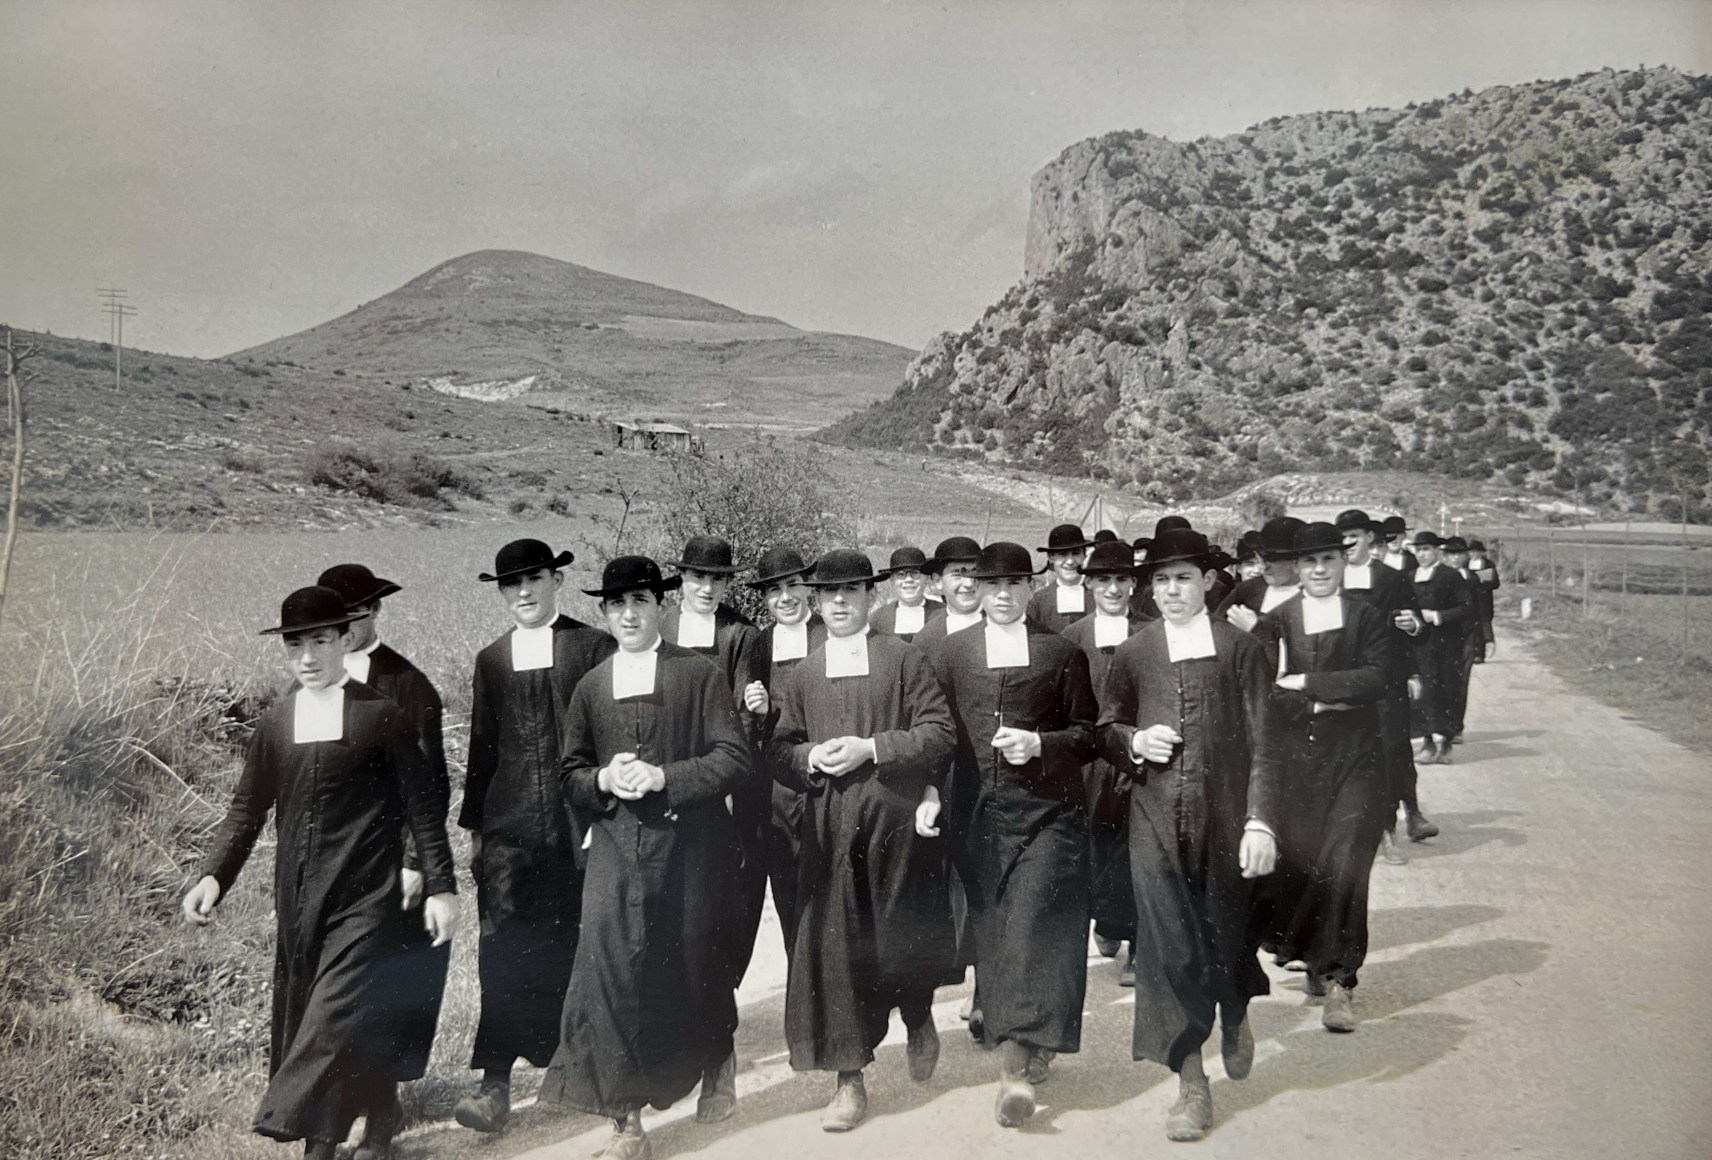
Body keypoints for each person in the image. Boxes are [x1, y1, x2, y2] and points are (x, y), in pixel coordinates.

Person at [182, 586, 459, 1160]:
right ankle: (324, 1143)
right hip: (299, 899)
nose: (307, 656)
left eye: (319, 641)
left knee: (333, 1014)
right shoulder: (277, 721)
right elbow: (245, 809)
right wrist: (213, 875)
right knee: (320, 1013)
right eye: (295, 644)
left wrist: (440, 886)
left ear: (342, 640)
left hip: (368, 896)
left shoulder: (380, 715)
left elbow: (423, 809)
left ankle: (281, 1106)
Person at [539, 556, 757, 1160]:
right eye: (616, 605)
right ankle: (626, 1120)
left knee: (695, 960)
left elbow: (734, 758)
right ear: (605, 613)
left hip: (691, 848)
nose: (628, 614)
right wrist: (604, 779)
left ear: (659, 605)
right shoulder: (591, 686)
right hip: (616, 848)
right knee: (610, 970)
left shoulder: (700, 675)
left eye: (639, 601)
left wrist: (666, 775)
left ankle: (718, 1063)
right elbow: (570, 773)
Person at [764, 549, 957, 1132]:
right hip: (828, 830)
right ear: (818, 604)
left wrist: (872, 749)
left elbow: (939, 731)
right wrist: (807, 756)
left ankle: (919, 1014)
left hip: (895, 826)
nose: (840, 602)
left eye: (850, 591)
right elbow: (778, 748)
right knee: (839, 949)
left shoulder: (903, 658)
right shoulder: (804, 671)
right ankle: (851, 1080)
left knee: (898, 934)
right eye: (829, 594)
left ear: (870, 597)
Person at [1096, 528, 1279, 1143]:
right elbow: (1107, 725)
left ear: (1208, 582)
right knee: (1170, 948)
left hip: (1227, 820)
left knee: (1226, 935)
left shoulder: (1241, 650)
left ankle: (1235, 1011)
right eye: (1162, 580)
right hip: (1153, 818)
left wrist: (1260, 820)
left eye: (1183, 578)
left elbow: (1267, 745)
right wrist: (1133, 743)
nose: (1171, 590)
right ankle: (1191, 1081)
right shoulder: (1135, 652)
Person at [926, 542, 1097, 1127]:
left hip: (1050, 815)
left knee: (1030, 924)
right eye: (991, 583)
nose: (1002, 594)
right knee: (996, 933)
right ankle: (1026, 1035)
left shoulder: (1063, 653)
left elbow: (1088, 734)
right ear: (977, 587)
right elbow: (934, 732)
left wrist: (1040, 744)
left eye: (1014, 584)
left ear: (1030, 589)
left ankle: (1015, 1068)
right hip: (977, 818)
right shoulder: (951, 654)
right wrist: (928, 792)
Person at [456, 539, 617, 1134]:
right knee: (501, 947)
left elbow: (612, 736)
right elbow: (481, 754)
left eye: (534, 579)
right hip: (510, 829)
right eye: (510, 584)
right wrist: (475, 831)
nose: (522, 592)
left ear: (556, 581)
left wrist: (608, 814)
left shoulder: (591, 646)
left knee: (582, 941)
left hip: (582, 825)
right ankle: (494, 1083)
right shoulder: (491, 660)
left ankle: (589, 1069)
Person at [314, 563, 451, 1152]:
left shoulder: (407, 685)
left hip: (390, 865)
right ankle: (332, 1116)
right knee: (332, 997)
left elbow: (431, 787)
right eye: (336, 621)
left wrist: (417, 862)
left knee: (382, 992)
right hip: (332, 867)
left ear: (376, 615)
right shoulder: (313, 684)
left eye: (359, 616)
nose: (349, 630)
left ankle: (381, 1114)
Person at [1252, 523, 1392, 1034]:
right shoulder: (1276, 621)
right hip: (1296, 761)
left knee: (1347, 858)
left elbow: (1378, 678)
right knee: (1303, 863)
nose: (1318, 570)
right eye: (1309, 562)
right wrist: (1327, 697)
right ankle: (1313, 952)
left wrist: (1308, 684)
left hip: (1357, 757)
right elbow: (1264, 689)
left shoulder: (1366, 616)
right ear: (1296, 566)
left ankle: (1341, 982)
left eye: (1328, 560)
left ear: (1342, 563)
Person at [659, 534, 771, 1021]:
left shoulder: (739, 636)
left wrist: (724, 783)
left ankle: (718, 996)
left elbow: (745, 715)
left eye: (717, 579)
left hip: (724, 782)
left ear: (728, 584)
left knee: (726, 894)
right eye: (698, 577)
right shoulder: (659, 627)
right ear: (682, 580)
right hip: (664, 777)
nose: (706, 587)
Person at [1060, 539, 1153, 984]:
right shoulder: (1072, 639)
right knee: (1094, 846)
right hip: (1088, 761)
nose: (1112, 589)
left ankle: (1137, 944)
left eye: (1120, 579)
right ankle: (1109, 922)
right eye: (1103, 581)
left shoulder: (1151, 632)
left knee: (1137, 848)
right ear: (1090, 585)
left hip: (1137, 756)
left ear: (1133, 584)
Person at [1332, 513, 1437, 861]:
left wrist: (1414, 629)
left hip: (1386, 681)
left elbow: (1416, 625)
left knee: (1390, 751)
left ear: (1369, 539)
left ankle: (1386, 830)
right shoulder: (1328, 579)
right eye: (1343, 537)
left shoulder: (1392, 579)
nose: (1349, 544)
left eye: (1355, 537)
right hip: (1344, 681)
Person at [740, 546, 827, 958]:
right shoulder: (760, 644)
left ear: (808, 587)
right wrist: (758, 711)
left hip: (830, 775)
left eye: (793, 585)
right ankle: (801, 990)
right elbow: (752, 723)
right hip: (779, 786)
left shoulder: (829, 633)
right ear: (764, 599)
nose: (786, 597)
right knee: (789, 885)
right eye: (774, 591)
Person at [1408, 531, 1474, 765]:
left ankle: (1444, 744)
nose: (1422, 554)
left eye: (1426, 549)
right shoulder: (1410, 577)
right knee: (1423, 692)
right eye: (1418, 550)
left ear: (1437, 551)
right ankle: (1426, 742)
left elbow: (1467, 608)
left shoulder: (1451, 576)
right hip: (1418, 644)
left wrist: (1437, 616)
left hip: (1447, 644)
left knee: (1446, 691)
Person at [1217, 516, 1305, 629]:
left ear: (1298, 561)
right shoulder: (1247, 590)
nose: (1264, 567)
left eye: (1273, 559)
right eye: (1262, 557)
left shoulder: (1318, 595)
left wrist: (1255, 629)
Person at [1442, 536, 1484, 742]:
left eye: (1459, 553)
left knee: (1461, 681)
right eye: (1451, 554)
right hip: (1444, 636)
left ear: (1465, 555)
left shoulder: (1473, 579)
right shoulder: (1439, 577)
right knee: (1443, 680)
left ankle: (1457, 726)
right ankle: (1442, 726)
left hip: (1467, 636)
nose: (1455, 558)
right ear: (1444, 556)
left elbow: (1481, 610)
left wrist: (1485, 639)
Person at [1025, 522, 1095, 634]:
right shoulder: (1038, 601)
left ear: (1084, 555)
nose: (1070, 561)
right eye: (1063, 554)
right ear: (1051, 557)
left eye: (1076, 553)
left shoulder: (1098, 595)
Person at [870, 545, 938, 640]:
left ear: (926, 578)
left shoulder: (943, 613)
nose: (909, 579)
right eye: (901, 574)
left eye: (915, 573)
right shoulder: (878, 619)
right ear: (892, 580)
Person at [1468, 538, 1500, 660]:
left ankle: (1481, 654)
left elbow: (1496, 584)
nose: (1474, 554)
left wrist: (1483, 582)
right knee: (1472, 626)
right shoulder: (1466, 564)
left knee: (1483, 625)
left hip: (1483, 600)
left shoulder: (1488, 565)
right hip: (1470, 599)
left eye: (1476, 551)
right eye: (1471, 552)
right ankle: (1474, 653)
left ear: (1481, 552)